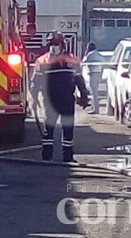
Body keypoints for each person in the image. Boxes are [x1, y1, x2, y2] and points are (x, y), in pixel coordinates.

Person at [31, 31, 90, 162]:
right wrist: (33, 98)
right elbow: (35, 82)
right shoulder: (42, 61)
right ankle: (47, 157)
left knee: (68, 128)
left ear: (62, 44)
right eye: (51, 43)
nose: (54, 46)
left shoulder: (72, 59)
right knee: (48, 130)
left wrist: (84, 95)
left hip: (67, 99)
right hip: (50, 100)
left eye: (56, 43)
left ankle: (67, 157)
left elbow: (79, 80)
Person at [82, 42, 104, 114]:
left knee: (94, 92)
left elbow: (83, 62)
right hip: (98, 73)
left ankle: (95, 109)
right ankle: (93, 107)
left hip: (93, 73)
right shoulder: (98, 54)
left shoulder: (90, 54)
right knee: (95, 91)